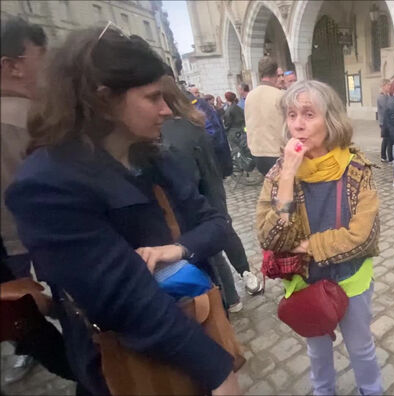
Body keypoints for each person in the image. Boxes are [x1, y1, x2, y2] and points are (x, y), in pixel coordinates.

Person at [5, 26, 241, 395]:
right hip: (132, 363)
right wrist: (216, 371)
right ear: (104, 100)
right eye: (152, 98)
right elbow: (123, 298)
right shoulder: (47, 183)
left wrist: (178, 249)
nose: (166, 110)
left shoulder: (154, 158)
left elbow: (216, 224)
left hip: (195, 325)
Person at [256, 80, 383, 396]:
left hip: (351, 280)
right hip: (307, 284)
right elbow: (268, 235)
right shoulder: (279, 173)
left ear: (331, 119)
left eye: (309, 114)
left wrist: (308, 246)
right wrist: (287, 175)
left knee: (361, 347)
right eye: (292, 114)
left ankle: (371, 390)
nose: (298, 124)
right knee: (317, 351)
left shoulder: (356, 168)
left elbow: (363, 236)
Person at [0, 16, 74, 386]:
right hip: (45, 250)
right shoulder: (30, 120)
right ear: (11, 66)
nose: (47, 67)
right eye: (39, 56)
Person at [160, 76, 254, 313]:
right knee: (217, 243)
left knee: (216, 244)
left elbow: (218, 146)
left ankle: (237, 285)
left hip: (193, 204)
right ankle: (234, 292)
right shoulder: (193, 122)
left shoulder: (182, 127)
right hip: (206, 195)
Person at [245, 56, 286, 176]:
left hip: (257, 153)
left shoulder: (250, 96)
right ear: (275, 73)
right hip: (276, 152)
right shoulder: (280, 96)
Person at [192, 92, 233, 178]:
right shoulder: (206, 108)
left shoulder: (201, 107)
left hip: (213, 154)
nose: (197, 94)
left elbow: (214, 132)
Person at [377, 79, 393, 163]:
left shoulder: (387, 95)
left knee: (387, 139)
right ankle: (386, 157)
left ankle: (385, 156)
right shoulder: (382, 97)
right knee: (387, 139)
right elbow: (387, 108)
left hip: (387, 122)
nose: (390, 86)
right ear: (383, 86)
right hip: (384, 122)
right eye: (388, 85)